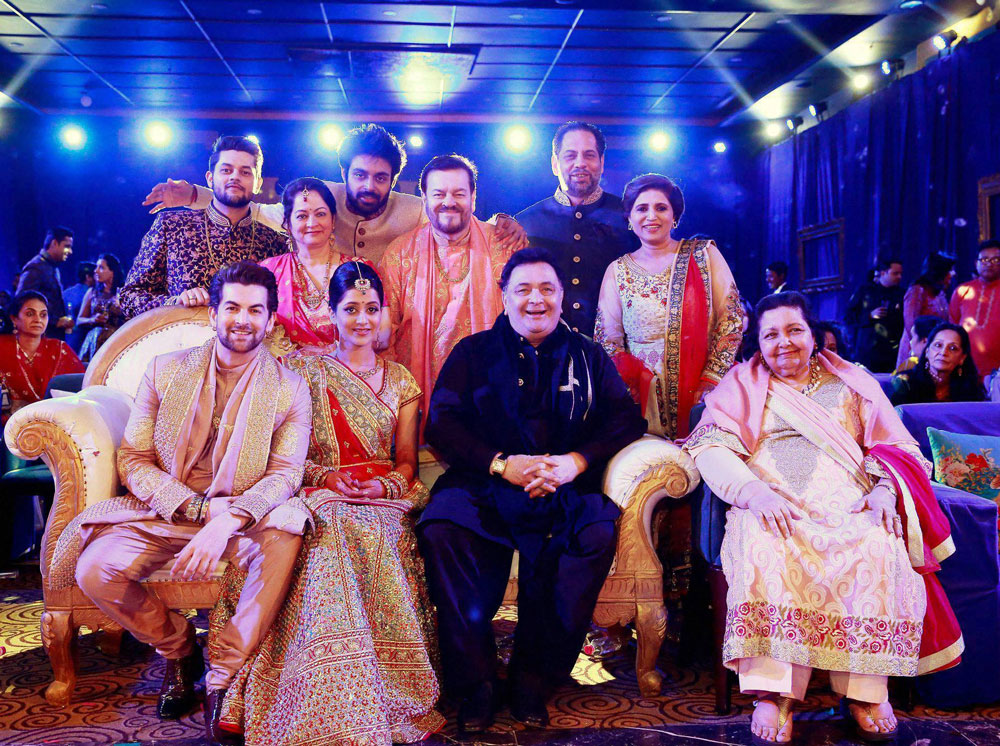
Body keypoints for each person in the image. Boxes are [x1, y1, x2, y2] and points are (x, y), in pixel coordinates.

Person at [684, 292, 962, 744]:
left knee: (878, 542)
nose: (784, 342)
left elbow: (898, 447)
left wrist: (885, 491)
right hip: (772, 502)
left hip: (851, 502)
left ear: (813, 335)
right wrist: (752, 492)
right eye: (771, 334)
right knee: (768, 542)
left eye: (794, 330)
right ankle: (775, 694)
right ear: (759, 343)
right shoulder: (741, 385)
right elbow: (709, 447)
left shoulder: (852, 382)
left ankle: (863, 693)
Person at [58, 261, 312, 736]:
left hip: (243, 517)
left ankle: (222, 675)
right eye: (232, 307)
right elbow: (134, 458)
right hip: (165, 509)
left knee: (286, 538)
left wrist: (227, 519)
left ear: (271, 320)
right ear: (213, 313)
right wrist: (197, 508)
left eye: (255, 310)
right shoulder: (165, 370)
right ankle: (179, 648)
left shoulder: (290, 388)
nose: (242, 320)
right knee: (94, 569)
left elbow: (285, 473)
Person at [209, 261, 443, 745]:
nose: (362, 319)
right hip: (318, 490)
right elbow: (286, 455)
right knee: (325, 530)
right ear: (331, 313)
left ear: (384, 314)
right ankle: (311, 686)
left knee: (363, 530)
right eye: (351, 308)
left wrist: (383, 488)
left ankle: (376, 687)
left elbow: (406, 461)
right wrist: (327, 478)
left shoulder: (402, 381)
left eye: (372, 309)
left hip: (383, 498)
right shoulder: (302, 370)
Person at [417, 248, 647, 733]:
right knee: (442, 528)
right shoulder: (472, 353)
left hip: (563, 488)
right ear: (504, 297)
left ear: (562, 296)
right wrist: (503, 464)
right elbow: (441, 424)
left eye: (547, 289)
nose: (535, 300)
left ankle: (533, 678)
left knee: (595, 532)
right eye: (523, 289)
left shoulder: (588, 355)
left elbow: (626, 418)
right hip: (486, 485)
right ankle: (477, 682)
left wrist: (573, 462)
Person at [142, 123, 528, 264]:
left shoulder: (413, 209)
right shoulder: (322, 197)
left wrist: (500, 222)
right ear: (344, 173)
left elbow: (460, 222)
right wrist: (194, 195)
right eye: (360, 175)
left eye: (381, 178)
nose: (369, 186)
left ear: (394, 179)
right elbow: (261, 212)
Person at [594, 173, 743, 440]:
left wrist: (710, 380)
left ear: (675, 216)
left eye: (661, 208)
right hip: (640, 405)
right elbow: (606, 340)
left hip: (705, 396)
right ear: (629, 217)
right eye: (642, 208)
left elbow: (731, 320)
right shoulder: (617, 271)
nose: (651, 216)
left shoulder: (704, 255)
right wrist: (631, 389)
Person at [379, 154, 516, 435]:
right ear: (424, 198)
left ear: (474, 197)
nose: (449, 202)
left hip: (495, 394)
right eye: (439, 194)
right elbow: (384, 336)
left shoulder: (504, 246)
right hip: (416, 398)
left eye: (459, 193)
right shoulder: (399, 254)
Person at [120, 135, 286, 319]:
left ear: (258, 184)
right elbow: (129, 297)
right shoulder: (172, 226)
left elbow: (283, 309)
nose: (235, 177)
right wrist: (175, 303)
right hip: (181, 337)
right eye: (226, 170)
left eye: (245, 172)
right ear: (210, 178)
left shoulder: (273, 243)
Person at [515, 121, 638, 334]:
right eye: (570, 156)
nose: (580, 163)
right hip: (546, 347)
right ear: (555, 164)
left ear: (601, 162)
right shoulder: (525, 223)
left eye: (589, 155)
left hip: (615, 346)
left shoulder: (630, 217)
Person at [259, 177, 373, 348]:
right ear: (287, 224)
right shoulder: (268, 271)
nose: (312, 223)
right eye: (302, 216)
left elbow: (379, 333)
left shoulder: (360, 270)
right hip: (284, 365)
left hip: (348, 364)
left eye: (320, 214)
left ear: (333, 220)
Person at [0, 290, 85, 424]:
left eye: (43, 315)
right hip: (9, 423)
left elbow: (83, 390)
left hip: (56, 424)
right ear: (14, 319)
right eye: (30, 314)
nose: (38, 320)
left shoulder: (59, 349)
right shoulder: (3, 347)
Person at [889, 322, 985, 405]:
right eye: (938, 345)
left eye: (952, 348)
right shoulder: (906, 383)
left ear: (962, 358)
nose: (943, 352)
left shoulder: (972, 389)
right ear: (927, 351)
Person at [949, 240, 1000, 380]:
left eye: (996, 260)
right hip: (964, 370)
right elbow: (952, 328)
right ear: (976, 263)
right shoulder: (962, 290)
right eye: (984, 259)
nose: (989, 264)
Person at [896, 252, 955, 369]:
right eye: (949, 271)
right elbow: (911, 325)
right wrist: (923, 348)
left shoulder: (940, 293)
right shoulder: (917, 291)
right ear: (939, 273)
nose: (953, 274)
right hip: (916, 350)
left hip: (935, 349)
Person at [846, 258, 904, 372]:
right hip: (868, 351)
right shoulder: (865, 291)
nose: (899, 277)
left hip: (892, 352)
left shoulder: (901, 294)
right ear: (883, 273)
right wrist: (869, 316)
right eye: (895, 273)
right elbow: (848, 316)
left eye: (900, 274)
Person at [16, 226, 75, 340]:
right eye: (67, 246)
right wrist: (55, 321)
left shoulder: (53, 268)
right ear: (54, 243)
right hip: (39, 338)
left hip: (52, 336)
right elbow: (21, 302)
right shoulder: (35, 268)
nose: (70, 251)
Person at [78, 253, 124, 362]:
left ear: (112, 272)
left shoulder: (123, 293)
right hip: (94, 342)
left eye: (101, 268)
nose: (96, 271)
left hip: (116, 341)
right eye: (96, 267)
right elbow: (79, 320)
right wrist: (93, 319)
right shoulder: (92, 292)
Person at [64, 261, 96, 351]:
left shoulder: (65, 293)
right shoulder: (91, 294)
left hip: (68, 339)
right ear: (88, 277)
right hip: (84, 340)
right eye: (95, 275)